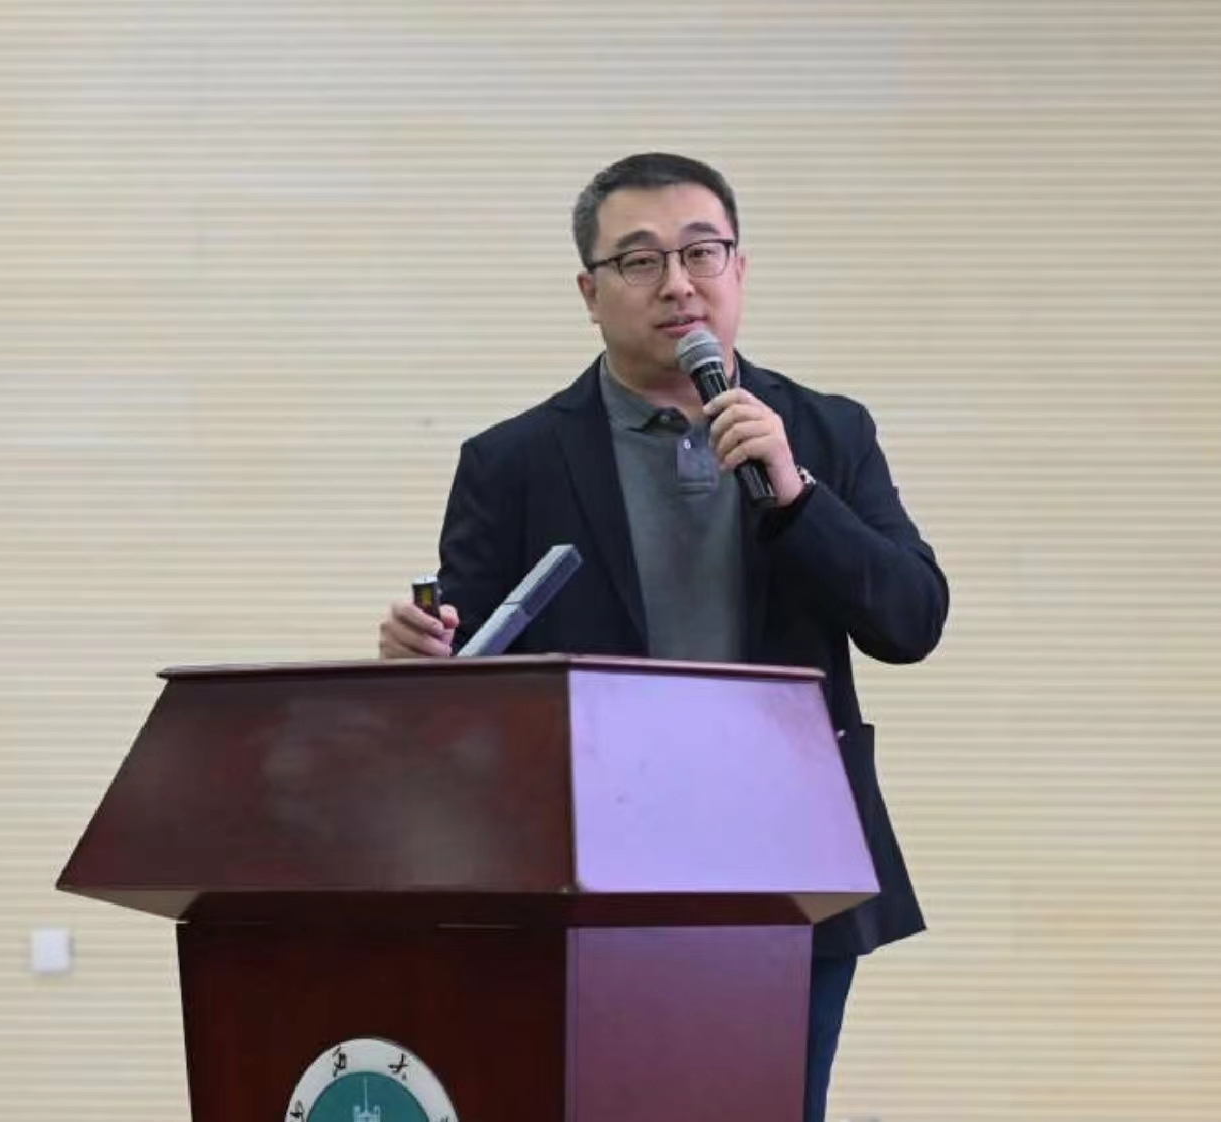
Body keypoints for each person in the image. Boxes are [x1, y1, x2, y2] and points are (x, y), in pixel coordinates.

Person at [376, 152, 948, 1122]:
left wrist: (797, 495)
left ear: (739, 269)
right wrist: (420, 661)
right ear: (589, 294)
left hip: (789, 862)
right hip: (586, 867)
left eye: (701, 252)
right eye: (640, 261)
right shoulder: (512, 462)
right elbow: (465, 675)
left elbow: (911, 620)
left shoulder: (824, 432)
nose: (678, 284)